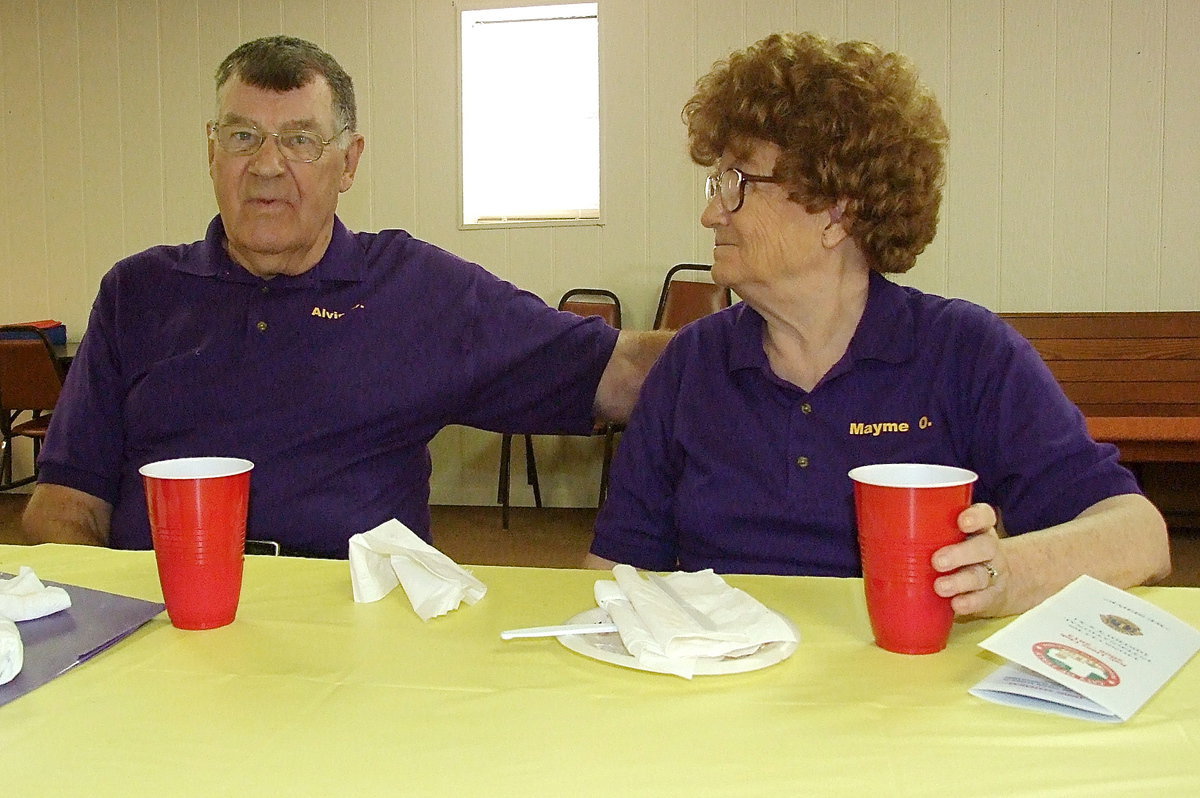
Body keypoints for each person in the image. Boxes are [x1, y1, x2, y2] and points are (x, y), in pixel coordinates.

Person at [585, 32, 1170, 618]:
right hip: (725, 686)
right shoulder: (693, 363)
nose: (711, 212)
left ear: (837, 210)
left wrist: (1007, 574)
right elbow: (616, 576)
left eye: (737, 183)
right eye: (717, 185)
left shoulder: (965, 353)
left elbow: (1139, 535)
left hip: (907, 689)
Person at [21, 35, 664, 559]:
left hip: (356, 645)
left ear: (349, 163)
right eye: (242, 136)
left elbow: (624, 372)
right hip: (173, 634)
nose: (268, 166)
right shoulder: (137, 295)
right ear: (211, 152)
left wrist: (761, 329)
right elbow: (63, 505)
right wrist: (126, 619)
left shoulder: (417, 289)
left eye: (301, 140)